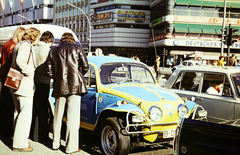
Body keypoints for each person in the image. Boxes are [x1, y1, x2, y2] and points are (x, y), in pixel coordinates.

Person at [46, 32, 89, 154]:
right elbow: (85, 66)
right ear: (72, 39)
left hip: (60, 86)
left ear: (62, 40)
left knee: (57, 116)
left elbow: (48, 70)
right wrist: (77, 74)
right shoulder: (78, 48)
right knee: (72, 118)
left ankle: (55, 143)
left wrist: (57, 77)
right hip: (75, 87)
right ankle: (71, 147)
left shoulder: (53, 51)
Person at [10, 27, 41, 152]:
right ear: (34, 37)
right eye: (38, 37)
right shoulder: (26, 45)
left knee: (18, 113)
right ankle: (19, 144)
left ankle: (19, 139)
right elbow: (20, 61)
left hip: (16, 84)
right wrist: (30, 72)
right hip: (24, 85)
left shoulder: (19, 45)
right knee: (24, 115)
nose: (38, 40)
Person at [0, 27, 26, 138]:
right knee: (10, 107)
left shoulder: (6, 44)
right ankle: (8, 132)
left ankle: (4, 130)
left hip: (4, 76)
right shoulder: (13, 46)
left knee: (5, 105)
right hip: (10, 78)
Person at [30, 31, 54, 142]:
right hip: (44, 82)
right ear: (49, 40)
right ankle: (42, 136)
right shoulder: (48, 51)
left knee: (34, 108)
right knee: (43, 110)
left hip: (33, 81)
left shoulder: (33, 48)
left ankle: (32, 134)